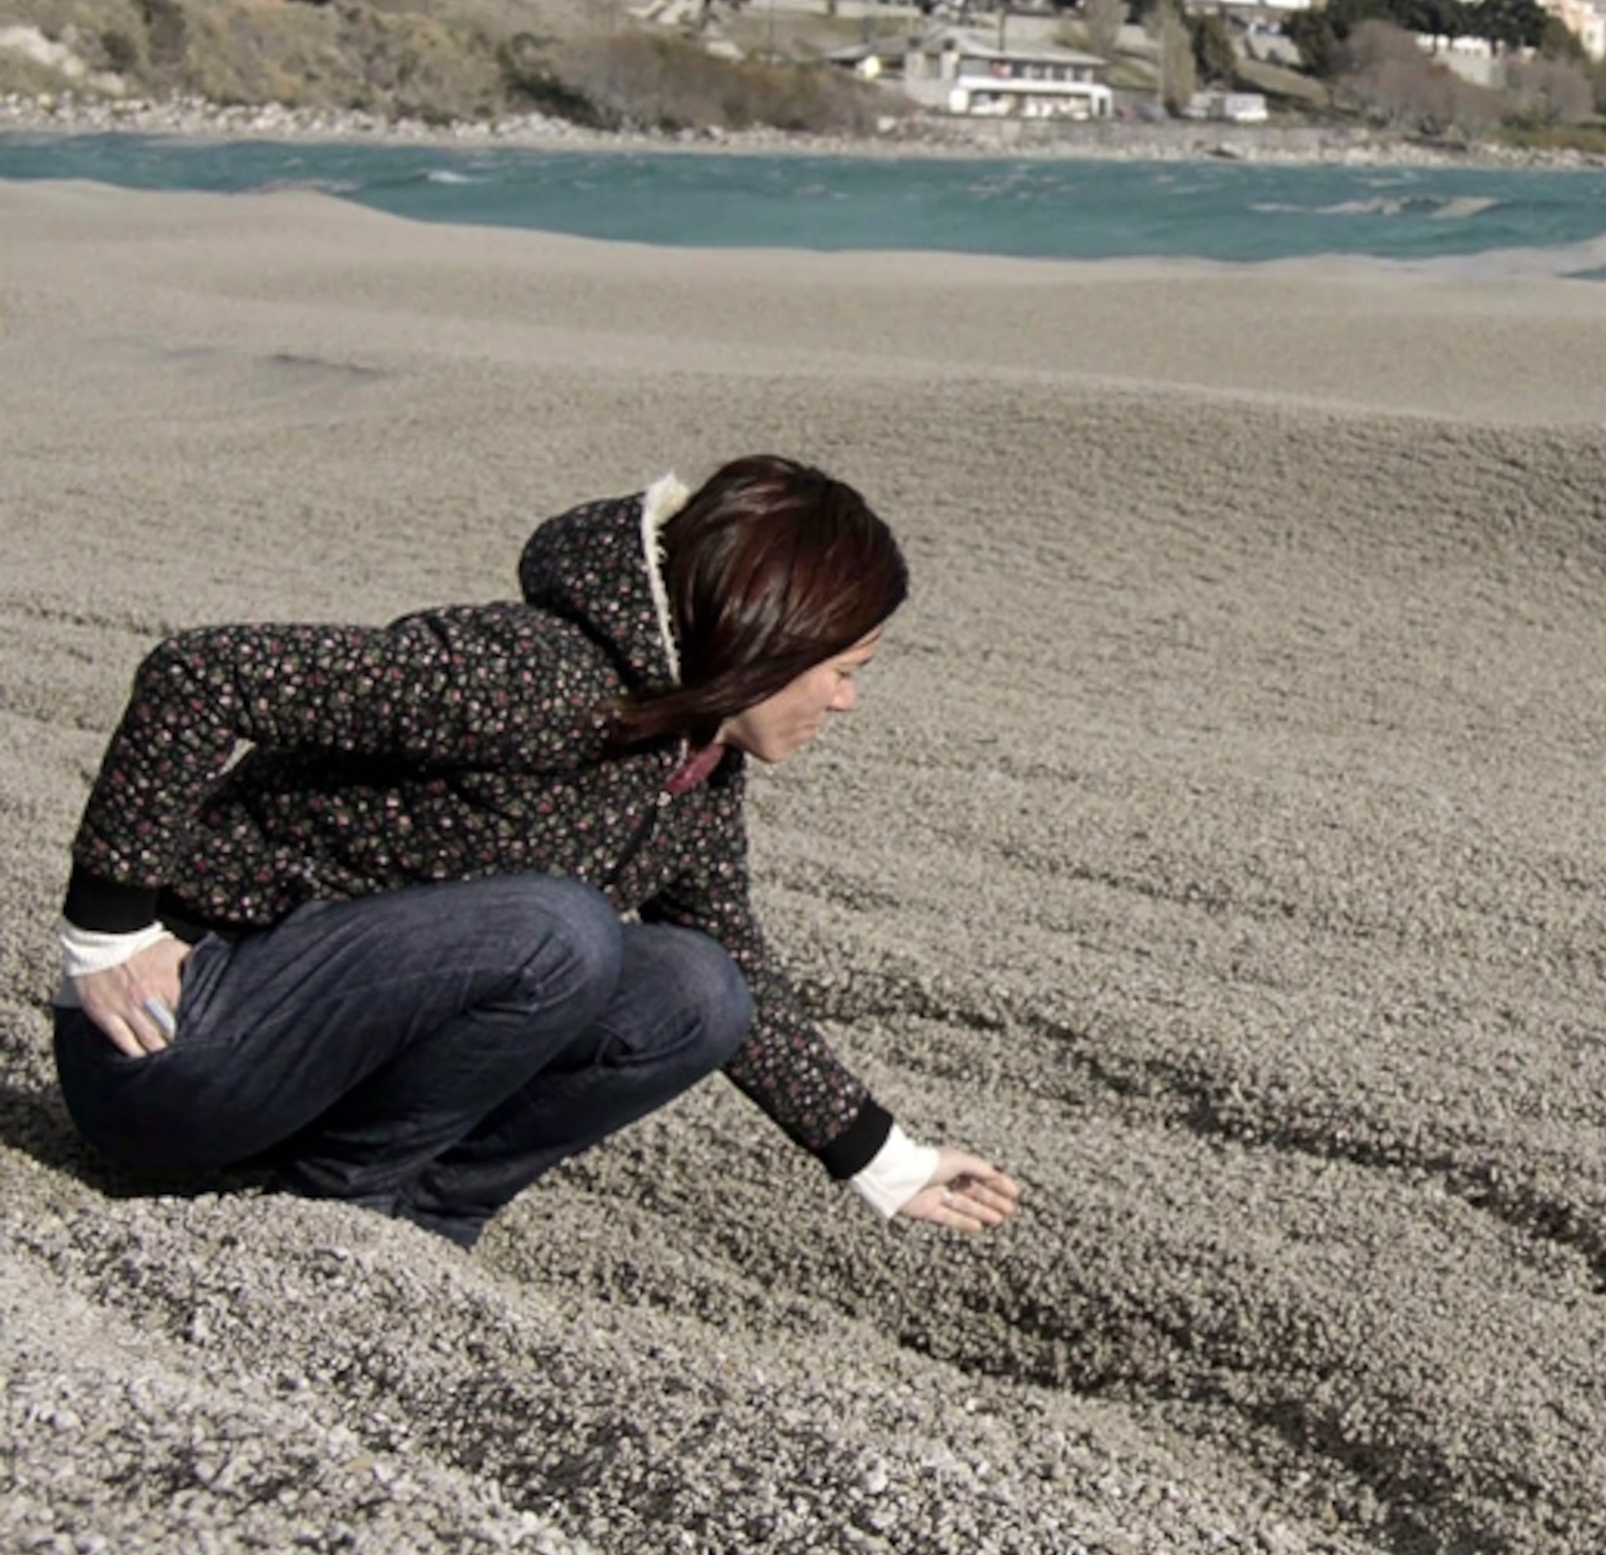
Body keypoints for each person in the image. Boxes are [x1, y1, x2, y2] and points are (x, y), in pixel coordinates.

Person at [49, 455, 1021, 1248]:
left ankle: (425, 1227)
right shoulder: (529, 672)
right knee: (561, 927)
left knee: (701, 984)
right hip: (178, 1046)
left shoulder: (694, 764)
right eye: (843, 669)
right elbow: (203, 674)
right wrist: (107, 930)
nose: (847, 700)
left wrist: (886, 1159)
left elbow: (741, 979)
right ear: (768, 636)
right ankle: (339, 1210)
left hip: (307, 1081)